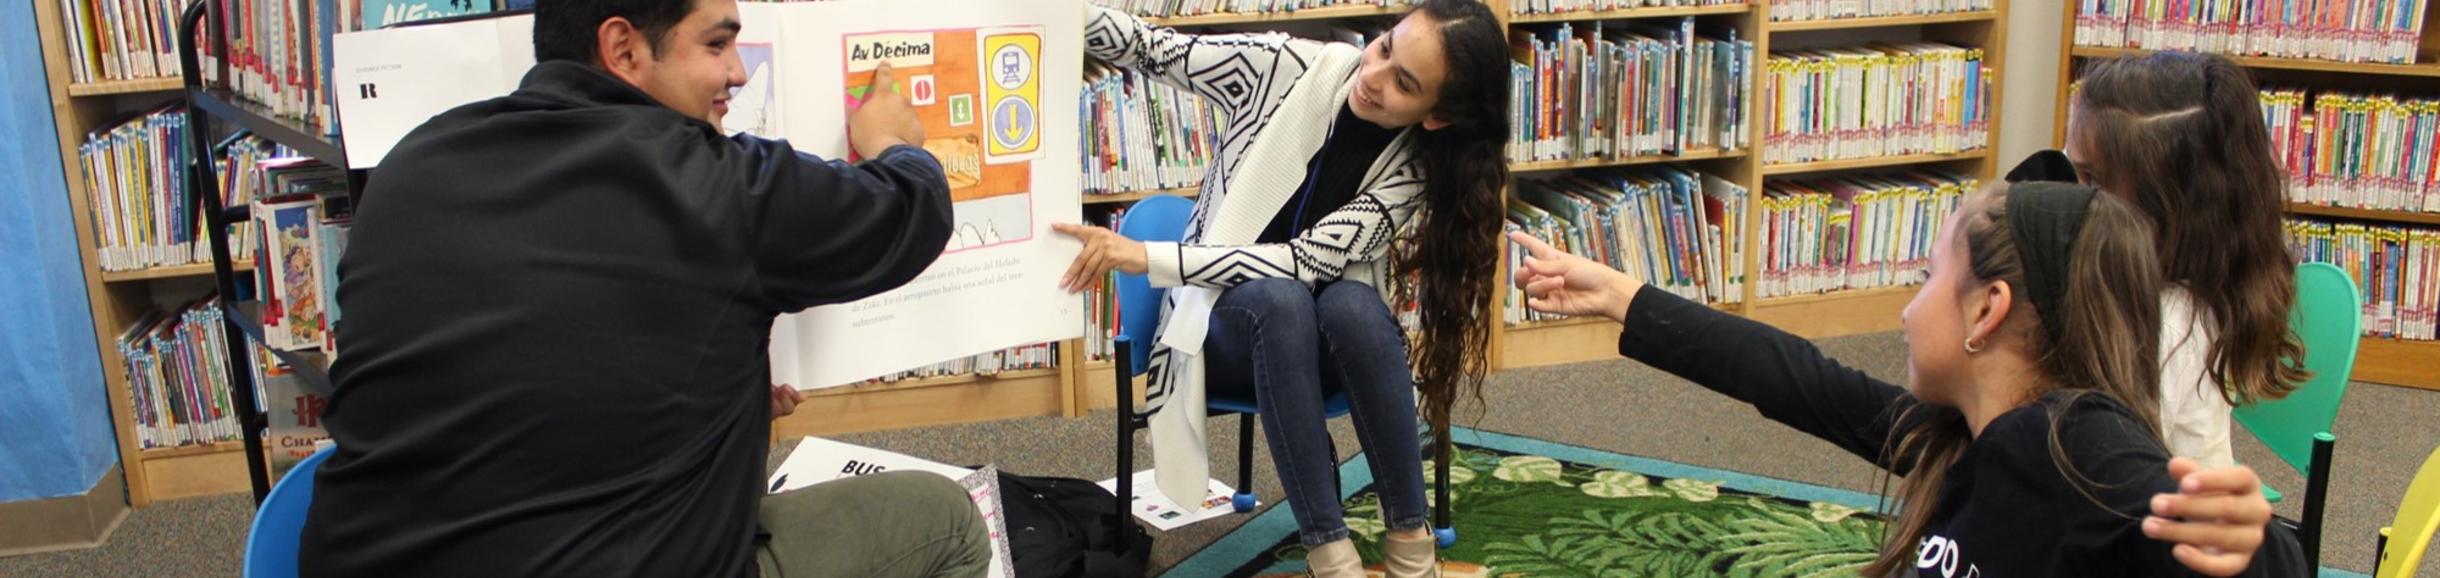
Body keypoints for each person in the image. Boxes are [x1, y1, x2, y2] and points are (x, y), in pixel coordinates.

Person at [299, 0, 987, 576]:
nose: (737, 72)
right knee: (948, 519)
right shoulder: (708, 183)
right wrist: (897, 142)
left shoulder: (411, 164)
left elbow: (528, 361)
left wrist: (729, 405)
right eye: (717, 43)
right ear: (624, 49)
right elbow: (908, 211)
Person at [1509, 181, 2308, 576]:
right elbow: (1801, 381)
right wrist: (1621, 296)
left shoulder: (2074, 440)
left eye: (1929, 275)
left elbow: (2213, 543)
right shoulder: (1974, 436)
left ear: (1987, 310)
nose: (1906, 306)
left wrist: (2258, 547)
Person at [1055, 1, 1510, 575]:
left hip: (1321, 347)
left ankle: (1411, 551)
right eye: (1385, 47)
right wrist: (1052, 9)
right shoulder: (1281, 67)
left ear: (1435, 116)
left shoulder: (1412, 167)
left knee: (1350, 304)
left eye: (1403, 83)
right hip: (1215, 331)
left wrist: (1148, 256)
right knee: (1281, 303)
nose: (1372, 77)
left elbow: (1304, 259)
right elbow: (1151, 48)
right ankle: (1331, 557)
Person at [2063, 51, 2310, 469]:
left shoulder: (2165, 327)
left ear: (2167, 206)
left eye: (2092, 180)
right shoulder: (2150, 286)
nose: (2067, 195)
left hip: (2158, 524)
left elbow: (2091, 472)